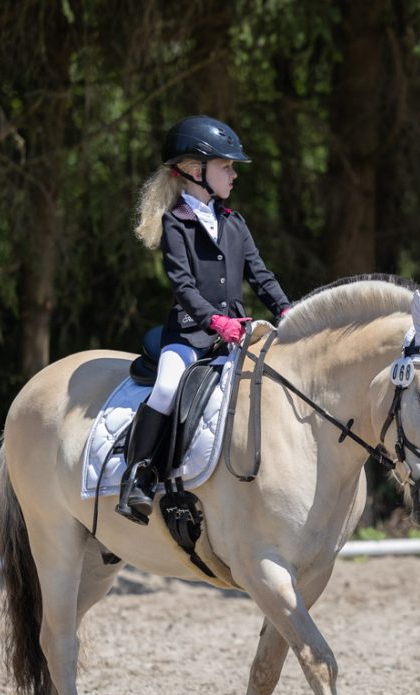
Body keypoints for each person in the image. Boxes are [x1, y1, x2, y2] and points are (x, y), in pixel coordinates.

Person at [120, 115, 292, 524]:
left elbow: (260, 275)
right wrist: (217, 323)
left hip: (236, 336)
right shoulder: (175, 223)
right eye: (226, 166)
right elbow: (183, 287)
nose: (233, 174)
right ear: (196, 171)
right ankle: (139, 478)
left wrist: (288, 311)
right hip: (191, 333)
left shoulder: (234, 223)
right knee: (165, 389)